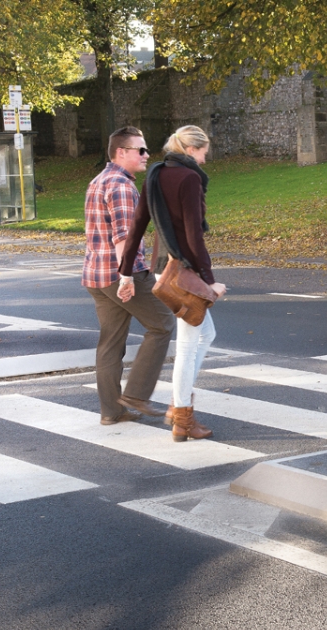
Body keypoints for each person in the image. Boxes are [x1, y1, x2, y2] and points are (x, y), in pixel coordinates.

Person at [121, 125, 227, 441]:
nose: (205, 158)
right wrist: (210, 282)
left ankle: (179, 406)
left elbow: (138, 224)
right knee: (189, 343)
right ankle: (181, 415)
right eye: (204, 151)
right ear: (192, 149)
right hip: (184, 272)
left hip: (162, 269)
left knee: (204, 333)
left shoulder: (155, 175)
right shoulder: (189, 178)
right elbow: (193, 235)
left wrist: (126, 271)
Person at [83, 125, 175, 425]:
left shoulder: (99, 180)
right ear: (121, 152)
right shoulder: (122, 185)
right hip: (123, 273)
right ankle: (136, 394)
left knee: (110, 344)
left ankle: (112, 411)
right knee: (162, 324)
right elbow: (125, 237)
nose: (147, 155)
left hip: (96, 275)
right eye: (141, 150)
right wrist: (127, 277)